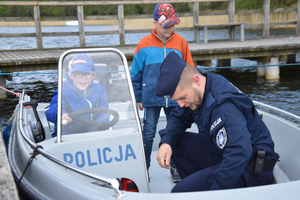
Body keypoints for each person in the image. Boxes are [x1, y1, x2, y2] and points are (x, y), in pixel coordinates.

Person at [155, 51, 279, 192]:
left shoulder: (223, 107)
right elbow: (178, 117)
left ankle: (204, 190)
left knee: (180, 192)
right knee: (176, 142)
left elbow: (239, 151)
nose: (181, 104)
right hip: (225, 154)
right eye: (177, 100)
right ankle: (199, 184)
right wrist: (166, 142)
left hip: (250, 168)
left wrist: (215, 192)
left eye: (182, 97)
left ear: (196, 81)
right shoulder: (202, 89)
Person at [130, 2, 194, 182]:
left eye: (172, 24)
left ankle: (176, 166)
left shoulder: (181, 42)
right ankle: (145, 168)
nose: (169, 28)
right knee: (148, 132)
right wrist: (138, 97)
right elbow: (136, 73)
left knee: (175, 131)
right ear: (155, 23)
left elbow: (189, 69)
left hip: (176, 98)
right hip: (150, 97)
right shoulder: (143, 44)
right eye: (166, 25)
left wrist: (188, 95)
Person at [46, 54, 109, 136]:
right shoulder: (63, 90)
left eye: (87, 74)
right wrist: (60, 114)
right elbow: (52, 110)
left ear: (93, 75)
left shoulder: (99, 90)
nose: (83, 78)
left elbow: (105, 112)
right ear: (70, 75)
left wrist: (100, 125)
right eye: (78, 74)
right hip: (67, 135)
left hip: (93, 132)